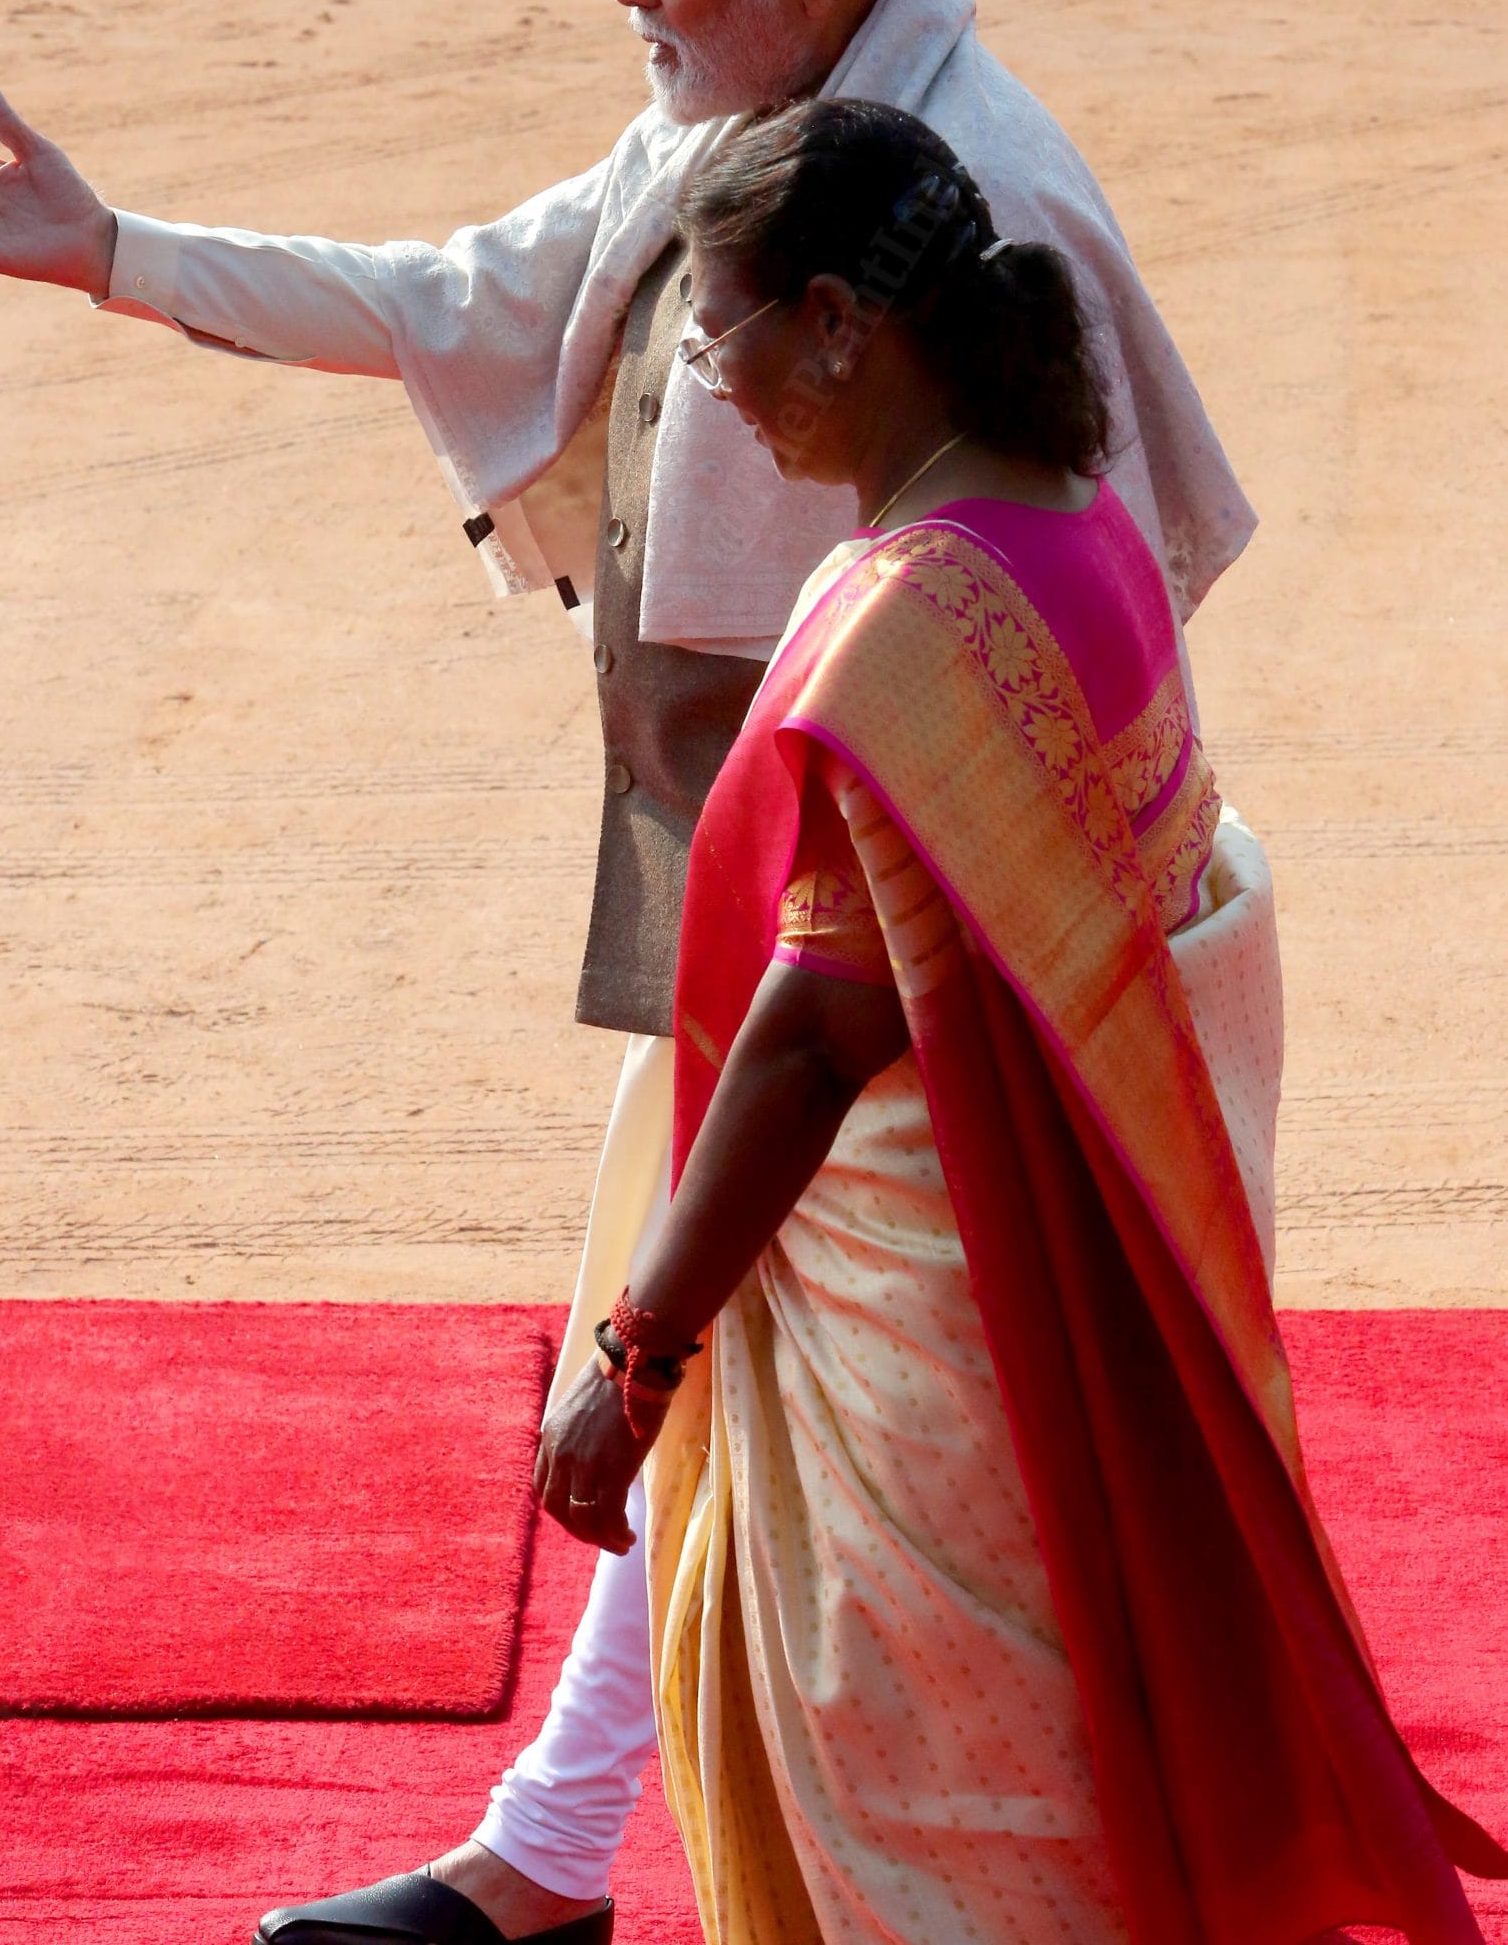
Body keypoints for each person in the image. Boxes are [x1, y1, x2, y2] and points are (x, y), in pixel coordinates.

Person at [0, 0, 1263, 1945]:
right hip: (827, 869)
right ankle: (550, 1847)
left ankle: (563, 1853)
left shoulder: (944, 270)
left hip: (906, 928)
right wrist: (120, 255)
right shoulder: (787, 160)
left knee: (797, 1458)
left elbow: (820, 1013)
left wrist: (636, 1356)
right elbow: (478, 290)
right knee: (763, 1394)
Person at [536, 97, 1506, 1945]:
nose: (715, 384)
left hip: (935, 1349)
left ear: (838, 319)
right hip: (1054, 1296)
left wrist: (638, 1352)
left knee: (940, 1826)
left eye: (722, 332)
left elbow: (819, 1037)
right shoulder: (1077, 518)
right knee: (1063, 1782)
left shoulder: (904, 613)